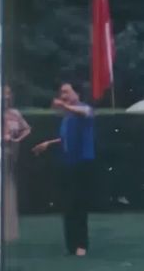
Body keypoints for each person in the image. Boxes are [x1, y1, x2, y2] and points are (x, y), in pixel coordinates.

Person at [30, 83, 96, 257]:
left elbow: (85, 113)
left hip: (82, 164)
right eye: (61, 93)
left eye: (67, 92)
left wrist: (64, 106)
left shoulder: (84, 109)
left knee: (79, 204)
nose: (63, 95)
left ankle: (81, 245)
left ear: (77, 93)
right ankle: (71, 245)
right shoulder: (67, 117)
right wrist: (48, 144)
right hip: (67, 163)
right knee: (68, 204)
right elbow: (64, 138)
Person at [2, 86, 30, 244]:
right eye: (3, 94)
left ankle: (8, 232)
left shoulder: (15, 114)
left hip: (9, 157)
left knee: (8, 191)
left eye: (8, 94)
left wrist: (17, 140)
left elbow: (26, 129)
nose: (6, 97)